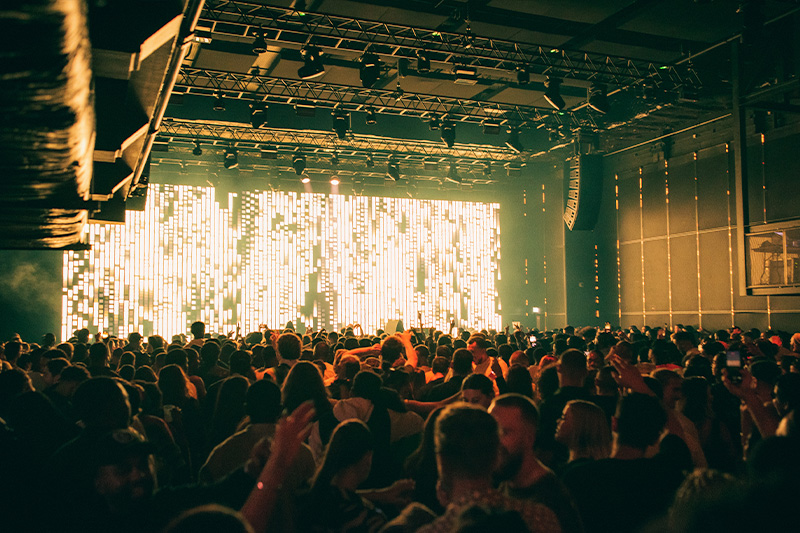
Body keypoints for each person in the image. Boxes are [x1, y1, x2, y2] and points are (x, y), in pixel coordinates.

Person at [561, 393, 689, 533]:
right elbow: (676, 436)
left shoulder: (578, 477)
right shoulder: (666, 475)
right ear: (656, 437)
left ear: (614, 424)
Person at [490, 394, 584, 533]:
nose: (493, 442)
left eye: (504, 432)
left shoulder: (551, 500)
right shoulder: (507, 481)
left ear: (529, 438)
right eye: (490, 432)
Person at [554, 399, 611, 467]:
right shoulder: (602, 465)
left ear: (579, 425)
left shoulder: (579, 469)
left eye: (563, 417)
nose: (558, 421)